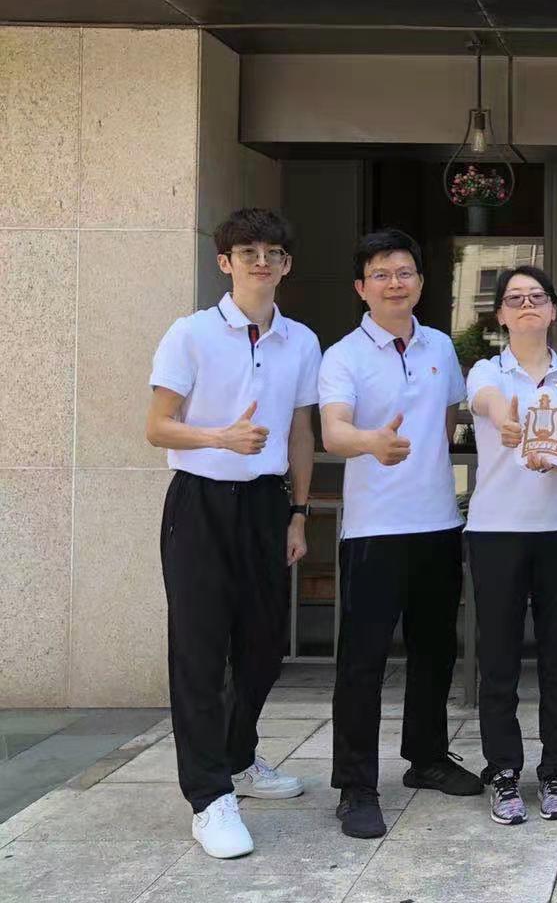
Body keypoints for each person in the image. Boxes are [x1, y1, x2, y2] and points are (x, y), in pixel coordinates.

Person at [144, 208, 320, 859]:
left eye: (273, 252)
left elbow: (300, 432)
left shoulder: (301, 341)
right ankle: (208, 796)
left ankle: (239, 757)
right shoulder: (190, 334)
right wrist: (221, 436)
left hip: (267, 505)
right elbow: (157, 426)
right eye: (248, 252)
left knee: (264, 646)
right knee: (198, 649)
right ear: (225, 263)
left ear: (287, 265)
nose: (261, 262)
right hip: (199, 502)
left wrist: (299, 512)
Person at [317, 229, 482, 840]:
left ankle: (427, 757)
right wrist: (372, 442)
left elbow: (447, 420)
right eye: (381, 274)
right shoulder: (343, 356)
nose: (395, 283)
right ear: (361, 288)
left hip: (437, 522)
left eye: (405, 272)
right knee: (361, 662)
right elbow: (333, 431)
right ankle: (356, 785)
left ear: (420, 281)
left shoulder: (440, 345)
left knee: (435, 650)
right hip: (375, 530)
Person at [465, 266, 557, 825]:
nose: (526, 305)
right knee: (498, 659)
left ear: (552, 310)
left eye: (536, 297)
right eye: (514, 298)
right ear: (500, 313)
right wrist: (507, 422)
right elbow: (488, 402)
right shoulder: (486, 371)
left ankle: (556, 770)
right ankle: (503, 770)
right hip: (496, 530)